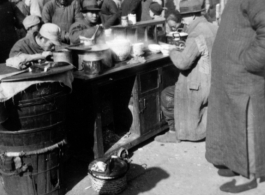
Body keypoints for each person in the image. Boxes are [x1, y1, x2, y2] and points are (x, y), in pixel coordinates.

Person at [205, 0, 265, 193]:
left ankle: (250, 175)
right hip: (230, 78)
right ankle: (234, 163)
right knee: (231, 124)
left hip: (244, 78)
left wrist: (248, 61)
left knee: (246, 125)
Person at [154, 0, 217, 143]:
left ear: (193, 16)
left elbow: (183, 63)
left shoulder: (197, 33)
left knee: (167, 95)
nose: (183, 20)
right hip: (212, 79)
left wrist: (171, 50)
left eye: (185, 17)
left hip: (198, 85)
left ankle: (174, 132)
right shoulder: (213, 28)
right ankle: (204, 129)